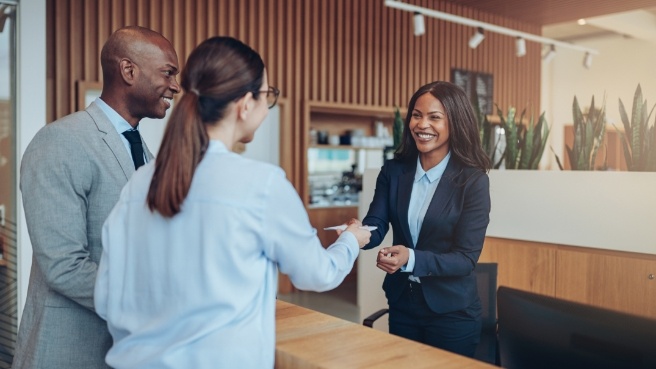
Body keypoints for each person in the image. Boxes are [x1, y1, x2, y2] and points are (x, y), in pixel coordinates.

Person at [93, 36, 371, 369]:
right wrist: (350, 242)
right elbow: (316, 274)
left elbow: (106, 297)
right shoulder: (262, 184)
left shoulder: (139, 182)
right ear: (244, 104)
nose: (267, 107)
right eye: (266, 96)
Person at [16, 26, 180, 369]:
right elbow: (63, 265)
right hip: (67, 351)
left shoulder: (145, 153)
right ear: (129, 70)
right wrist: (149, 306)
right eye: (169, 72)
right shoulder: (60, 141)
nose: (176, 86)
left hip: (124, 352)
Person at [359, 81, 491, 357]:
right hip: (403, 303)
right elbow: (377, 223)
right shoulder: (394, 172)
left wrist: (410, 258)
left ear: (455, 122)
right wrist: (356, 233)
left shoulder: (472, 181)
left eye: (434, 117)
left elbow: (466, 258)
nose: (422, 124)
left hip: (452, 312)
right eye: (417, 115)